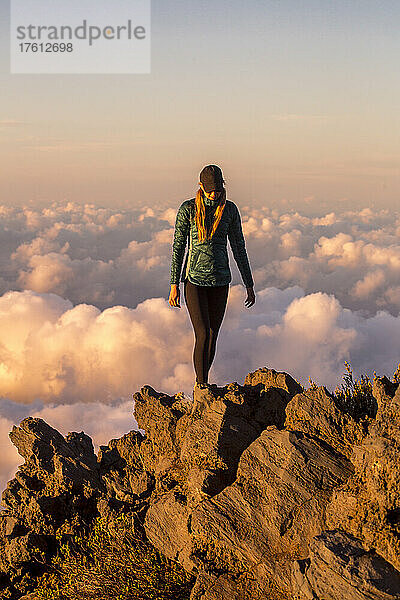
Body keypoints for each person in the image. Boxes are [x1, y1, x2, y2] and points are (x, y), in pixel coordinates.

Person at [168, 164, 255, 387]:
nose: (214, 194)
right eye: (209, 190)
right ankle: (201, 385)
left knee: (213, 335)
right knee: (203, 334)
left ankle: (204, 383)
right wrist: (174, 284)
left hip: (220, 281)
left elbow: (238, 247)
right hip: (194, 281)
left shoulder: (230, 210)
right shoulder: (188, 209)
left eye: (217, 189)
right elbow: (179, 247)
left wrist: (249, 284)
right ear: (201, 187)